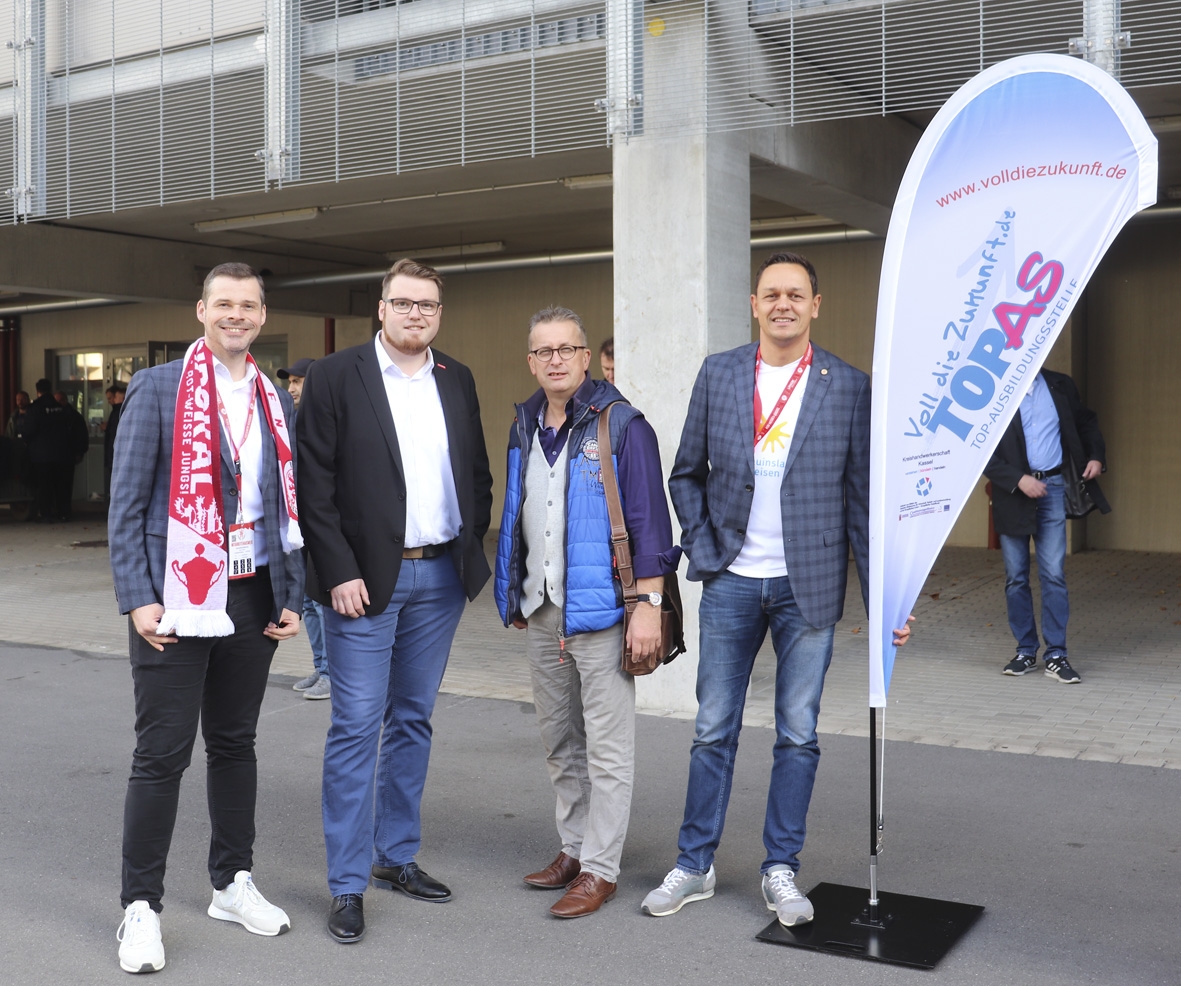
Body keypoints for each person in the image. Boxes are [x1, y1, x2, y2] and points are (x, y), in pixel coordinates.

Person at [642, 252, 911, 927]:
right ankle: (694, 864)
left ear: (815, 305)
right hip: (731, 580)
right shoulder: (720, 373)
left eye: (795, 294)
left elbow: (862, 503)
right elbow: (685, 474)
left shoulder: (848, 387)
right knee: (712, 729)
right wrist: (704, 547)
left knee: (797, 733)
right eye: (771, 294)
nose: (782, 304)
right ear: (754, 304)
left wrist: (884, 601)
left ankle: (779, 868)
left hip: (808, 586)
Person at [108, 262, 304, 974]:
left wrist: (293, 591)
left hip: (252, 594)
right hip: (178, 595)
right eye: (224, 303)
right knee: (161, 753)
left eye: (248, 305)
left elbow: (287, 501)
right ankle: (141, 907)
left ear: (262, 316)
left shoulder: (274, 396)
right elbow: (126, 502)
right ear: (201, 310)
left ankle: (231, 882)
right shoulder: (159, 387)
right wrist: (138, 595)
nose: (236, 315)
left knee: (234, 743)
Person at [296, 258, 493, 944]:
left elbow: (476, 473)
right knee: (356, 726)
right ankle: (347, 883)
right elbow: (313, 485)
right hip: (362, 584)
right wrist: (337, 570)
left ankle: (395, 856)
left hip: (439, 580)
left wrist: (469, 544)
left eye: (428, 305)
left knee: (412, 720)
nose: (416, 314)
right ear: (381, 308)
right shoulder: (335, 376)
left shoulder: (456, 378)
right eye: (404, 303)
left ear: (439, 313)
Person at [494, 307, 679, 918]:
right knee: (559, 742)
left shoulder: (623, 425)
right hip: (543, 609)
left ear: (585, 358)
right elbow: (519, 512)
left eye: (566, 349)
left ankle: (601, 868)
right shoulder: (524, 423)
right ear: (531, 361)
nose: (555, 360)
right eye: (543, 351)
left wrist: (647, 606)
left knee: (607, 748)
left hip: (603, 614)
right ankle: (573, 849)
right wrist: (513, 589)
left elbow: (651, 522)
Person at [985, 370, 1108, 684]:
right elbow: (979, 448)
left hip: (1052, 489)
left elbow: (1085, 421)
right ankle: (1025, 651)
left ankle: (1056, 655)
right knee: (1016, 577)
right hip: (1012, 495)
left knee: (1053, 574)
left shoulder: (1060, 384)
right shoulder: (997, 389)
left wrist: (1096, 455)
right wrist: (1018, 479)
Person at [278, 357, 330, 701]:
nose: (291, 388)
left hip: (322, 526)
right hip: (298, 528)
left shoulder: (327, 420)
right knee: (308, 603)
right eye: (290, 382)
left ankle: (333, 674)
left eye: (298, 381)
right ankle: (321, 666)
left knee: (323, 604)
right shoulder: (288, 419)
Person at [24, 378, 88, 522]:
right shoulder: (61, 407)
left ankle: (46, 514)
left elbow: (28, 431)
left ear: (37, 391)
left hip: (41, 456)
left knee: (44, 486)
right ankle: (64, 513)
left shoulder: (35, 408)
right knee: (62, 486)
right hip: (62, 454)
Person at [102, 383, 126, 498]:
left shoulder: (118, 412)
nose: (111, 401)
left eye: (112, 398)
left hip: (114, 456)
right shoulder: (117, 412)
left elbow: (114, 436)